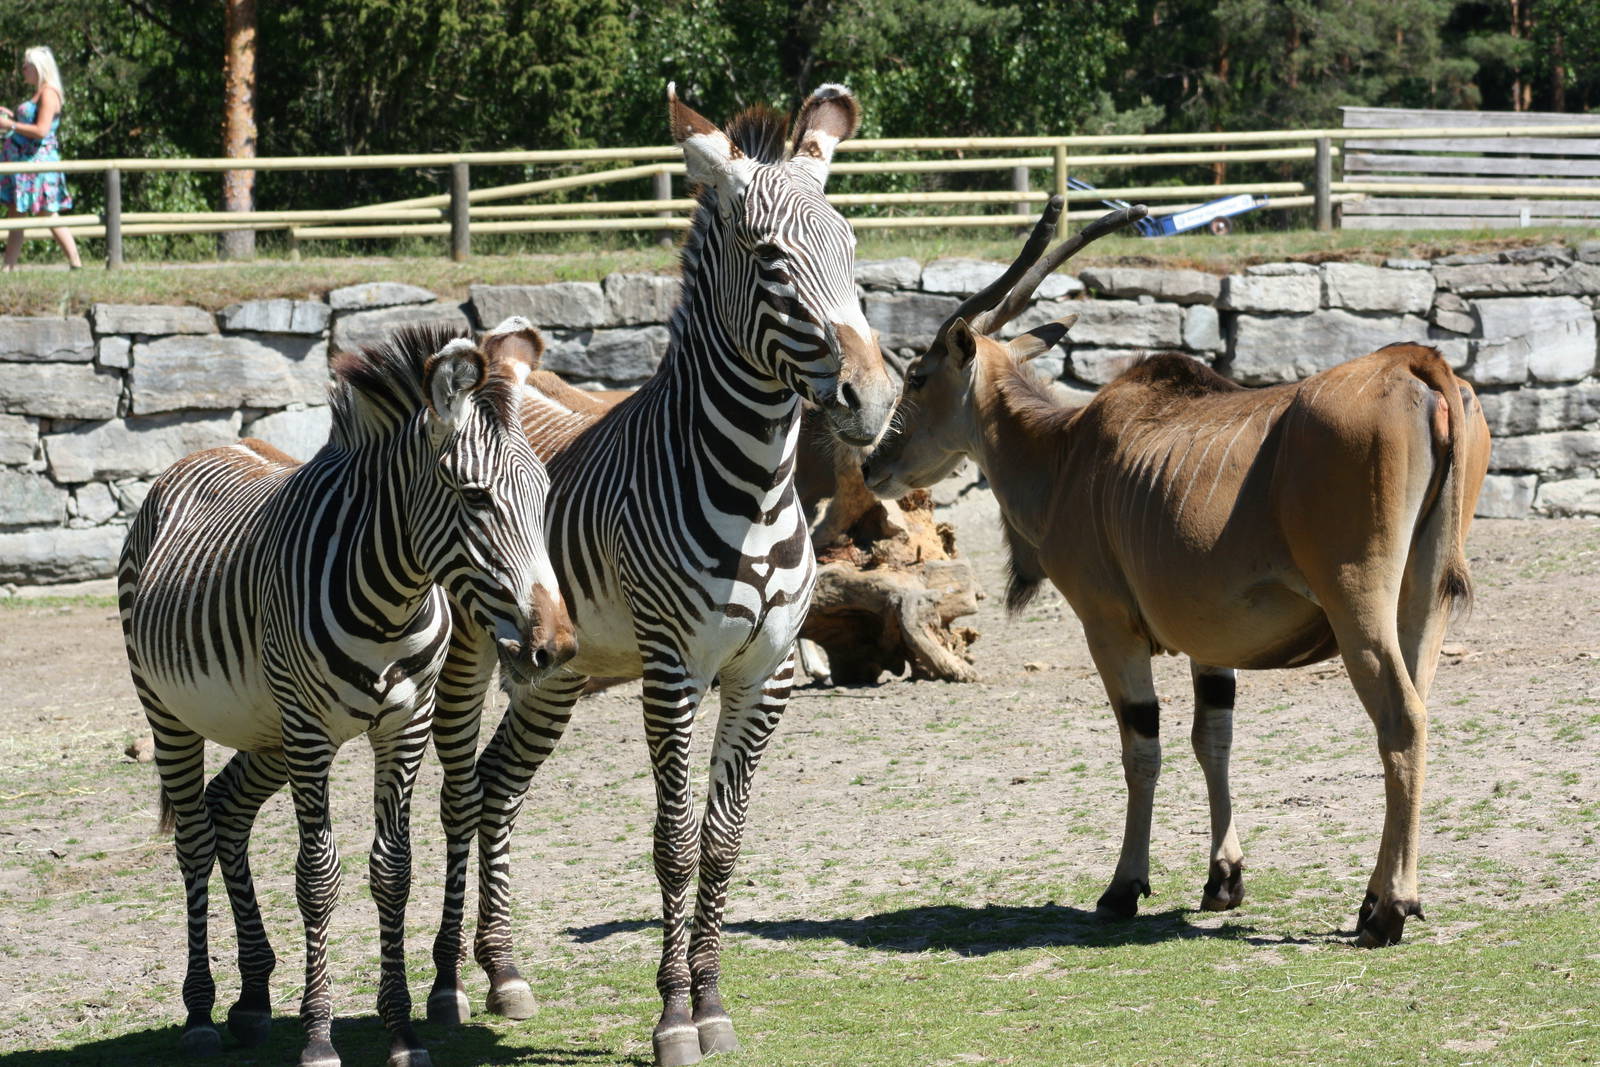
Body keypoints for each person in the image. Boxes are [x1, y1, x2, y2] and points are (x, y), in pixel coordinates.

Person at [0, 46, 82, 270]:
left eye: (26, 66)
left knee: (48, 211)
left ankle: (75, 262)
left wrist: (11, 125)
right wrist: (10, 119)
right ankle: (8, 267)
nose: (22, 70)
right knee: (16, 212)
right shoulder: (39, 92)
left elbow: (41, 130)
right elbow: (28, 123)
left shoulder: (48, 93)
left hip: (38, 162)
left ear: (38, 67)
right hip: (24, 161)